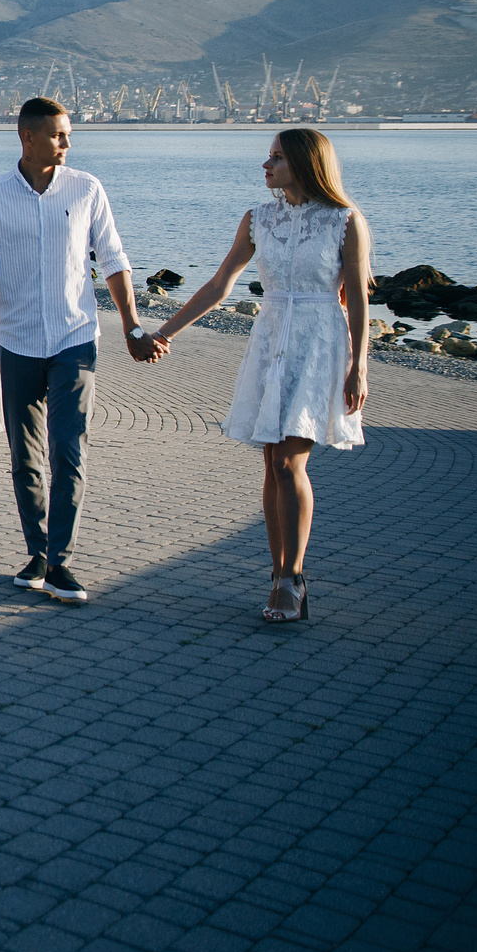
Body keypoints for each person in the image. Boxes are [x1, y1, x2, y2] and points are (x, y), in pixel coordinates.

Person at [145, 128, 371, 623]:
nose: (265, 166)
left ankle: (292, 577)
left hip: (318, 345)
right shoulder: (258, 219)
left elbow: (357, 297)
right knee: (272, 466)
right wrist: (164, 332)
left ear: (306, 165)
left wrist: (358, 367)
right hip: (270, 342)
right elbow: (218, 285)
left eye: (276, 159)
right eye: (268, 157)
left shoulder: (345, 222)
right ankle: (279, 574)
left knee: (291, 463)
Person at [0, 97, 160, 604]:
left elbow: (113, 259)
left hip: (75, 341)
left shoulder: (86, 189)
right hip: (17, 343)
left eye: (68, 135)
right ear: (27, 138)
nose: (67, 143)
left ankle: (61, 562)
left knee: (69, 451)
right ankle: (38, 553)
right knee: (25, 458)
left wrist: (133, 327)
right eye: (58, 135)